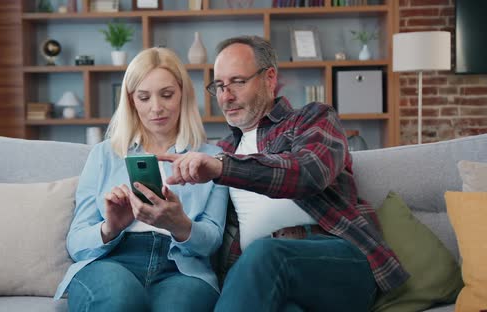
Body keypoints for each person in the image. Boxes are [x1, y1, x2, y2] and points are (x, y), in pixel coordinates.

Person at [158, 36, 409, 312]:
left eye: (237, 82)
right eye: (219, 86)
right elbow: (214, 233)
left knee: (266, 254)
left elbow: (308, 174)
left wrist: (223, 167)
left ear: (269, 78)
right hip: (265, 279)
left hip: (338, 261)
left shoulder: (312, 119)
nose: (226, 97)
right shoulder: (223, 149)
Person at [54, 47, 228, 312]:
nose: (156, 108)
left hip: (181, 268)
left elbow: (211, 242)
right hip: (113, 260)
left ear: (183, 94)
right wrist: (110, 227)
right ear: (131, 100)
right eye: (144, 97)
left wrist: (180, 225)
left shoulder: (211, 159)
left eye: (167, 95)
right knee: (119, 299)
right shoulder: (104, 154)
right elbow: (76, 243)